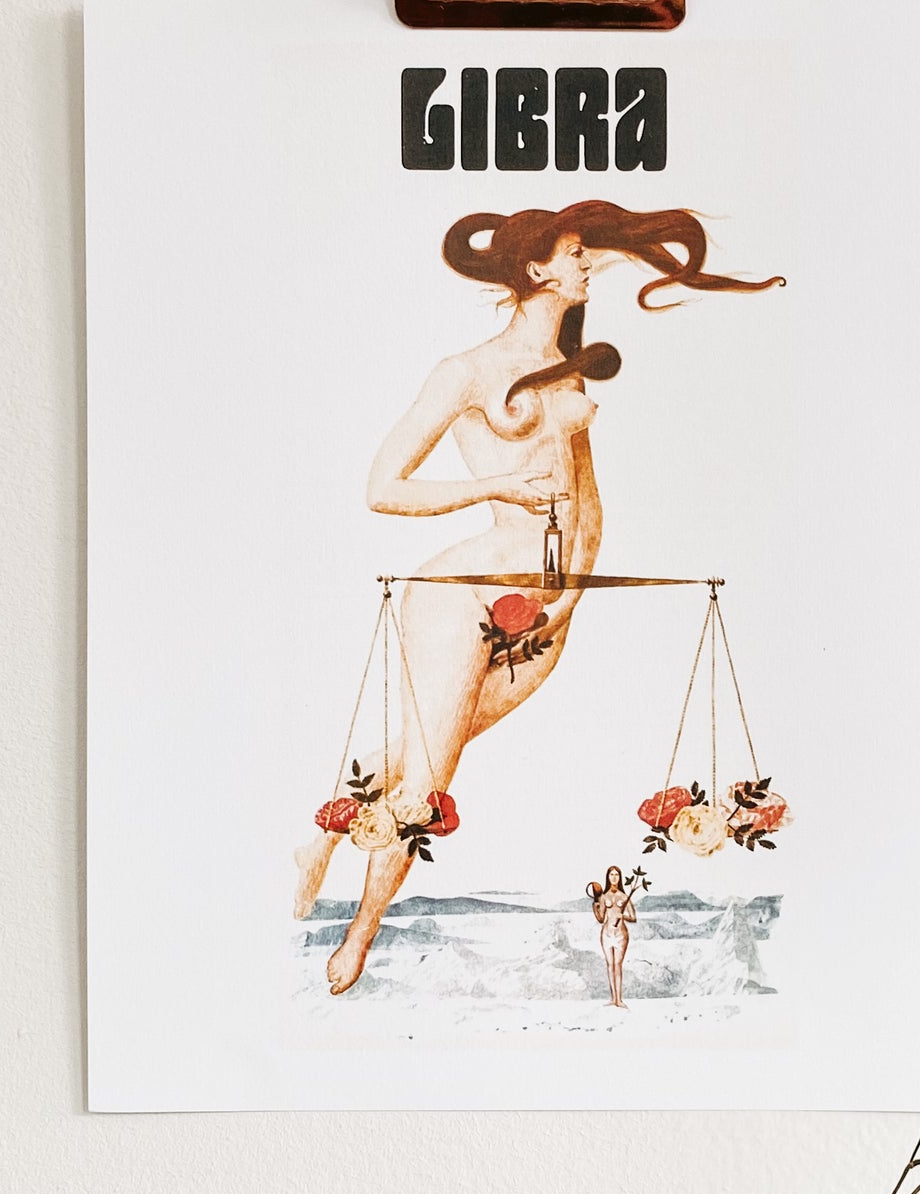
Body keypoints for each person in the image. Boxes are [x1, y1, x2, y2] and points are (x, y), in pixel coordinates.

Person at [296, 202, 781, 993]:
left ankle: (319, 843)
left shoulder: (570, 365)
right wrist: (493, 487)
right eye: (574, 253)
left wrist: (571, 597)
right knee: (428, 784)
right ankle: (360, 935)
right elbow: (382, 488)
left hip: (549, 611)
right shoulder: (467, 371)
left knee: (424, 755)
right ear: (535, 269)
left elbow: (587, 505)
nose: (587, 265)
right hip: (468, 596)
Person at [588, 865, 637, 1007]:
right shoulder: (604, 897)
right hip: (607, 934)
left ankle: (619, 1000)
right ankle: (613, 998)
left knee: (618, 965)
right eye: (611, 875)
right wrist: (595, 906)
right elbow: (601, 918)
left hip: (621, 934)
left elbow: (633, 917)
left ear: (620, 877)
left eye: (616, 875)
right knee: (610, 965)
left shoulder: (624, 896)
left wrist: (623, 916)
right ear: (607, 877)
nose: (614, 877)